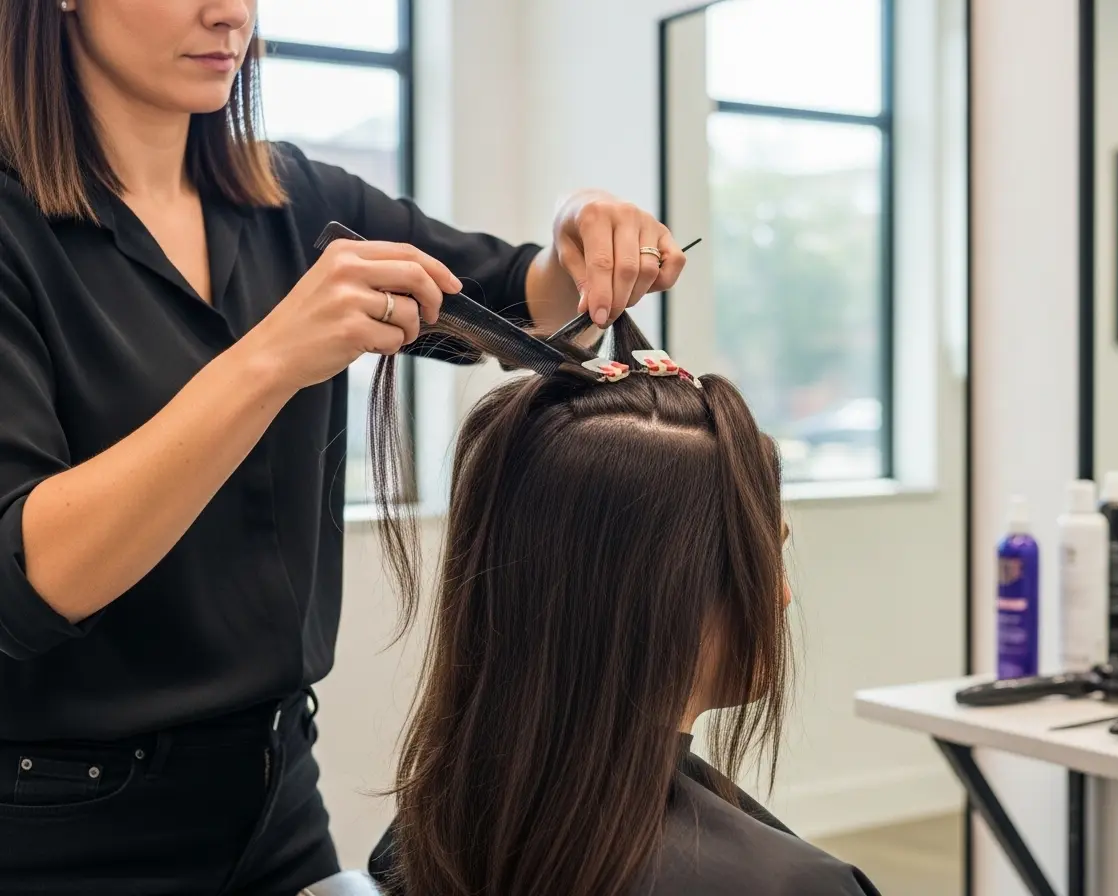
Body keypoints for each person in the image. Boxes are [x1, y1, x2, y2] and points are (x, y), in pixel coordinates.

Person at [0, 3, 685, 895]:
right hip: (61, 827)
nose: (229, 14)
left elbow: (514, 304)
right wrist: (269, 360)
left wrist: (578, 227)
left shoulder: (297, 200)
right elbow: (26, 578)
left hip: (278, 793)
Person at [365, 314, 881, 896]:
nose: (782, 594)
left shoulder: (434, 825)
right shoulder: (791, 886)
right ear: (665, 589)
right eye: (765, 559)